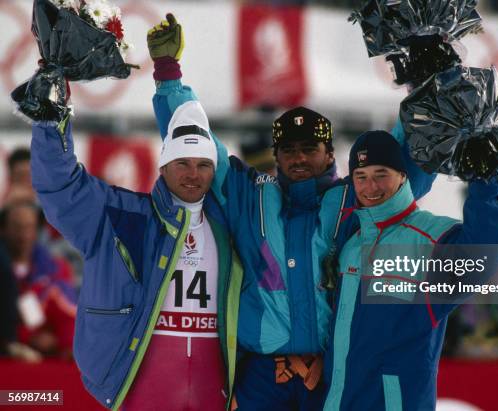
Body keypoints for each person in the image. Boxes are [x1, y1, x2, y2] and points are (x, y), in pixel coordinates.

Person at [148, 14, 435, 410]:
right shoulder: (250, 196)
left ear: (329, 154)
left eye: (309, 149)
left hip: (334, 370)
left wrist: (424, 85)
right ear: (277, 156)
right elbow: (196, 147)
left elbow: (404, 160)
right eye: (290, 150)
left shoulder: (357, 196)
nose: (299, 158)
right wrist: (168, 78)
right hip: (263, 375)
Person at [30, 97, 243, 409]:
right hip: (143, 386)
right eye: (182, 163)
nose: (193, 175)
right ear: (163, 166)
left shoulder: (232, 229)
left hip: (213, 390)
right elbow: (63, 187)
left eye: (203, 165)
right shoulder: (123, 216)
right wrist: (51, 116)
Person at [323, 131, 498, 410]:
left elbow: (483, 255)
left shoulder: (428, 237)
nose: (370, 186)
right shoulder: (351, 242)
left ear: (402, 175)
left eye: (381, 173)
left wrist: (486, 184)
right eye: (361, 176)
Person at [0, 201, 76, 359]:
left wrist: (60, 342)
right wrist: (27, 338)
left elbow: (69, 318)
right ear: (3, 229)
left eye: (29, 227)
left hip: (50, 359)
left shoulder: (56, 269)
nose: (24, 235)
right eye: (17, 227)